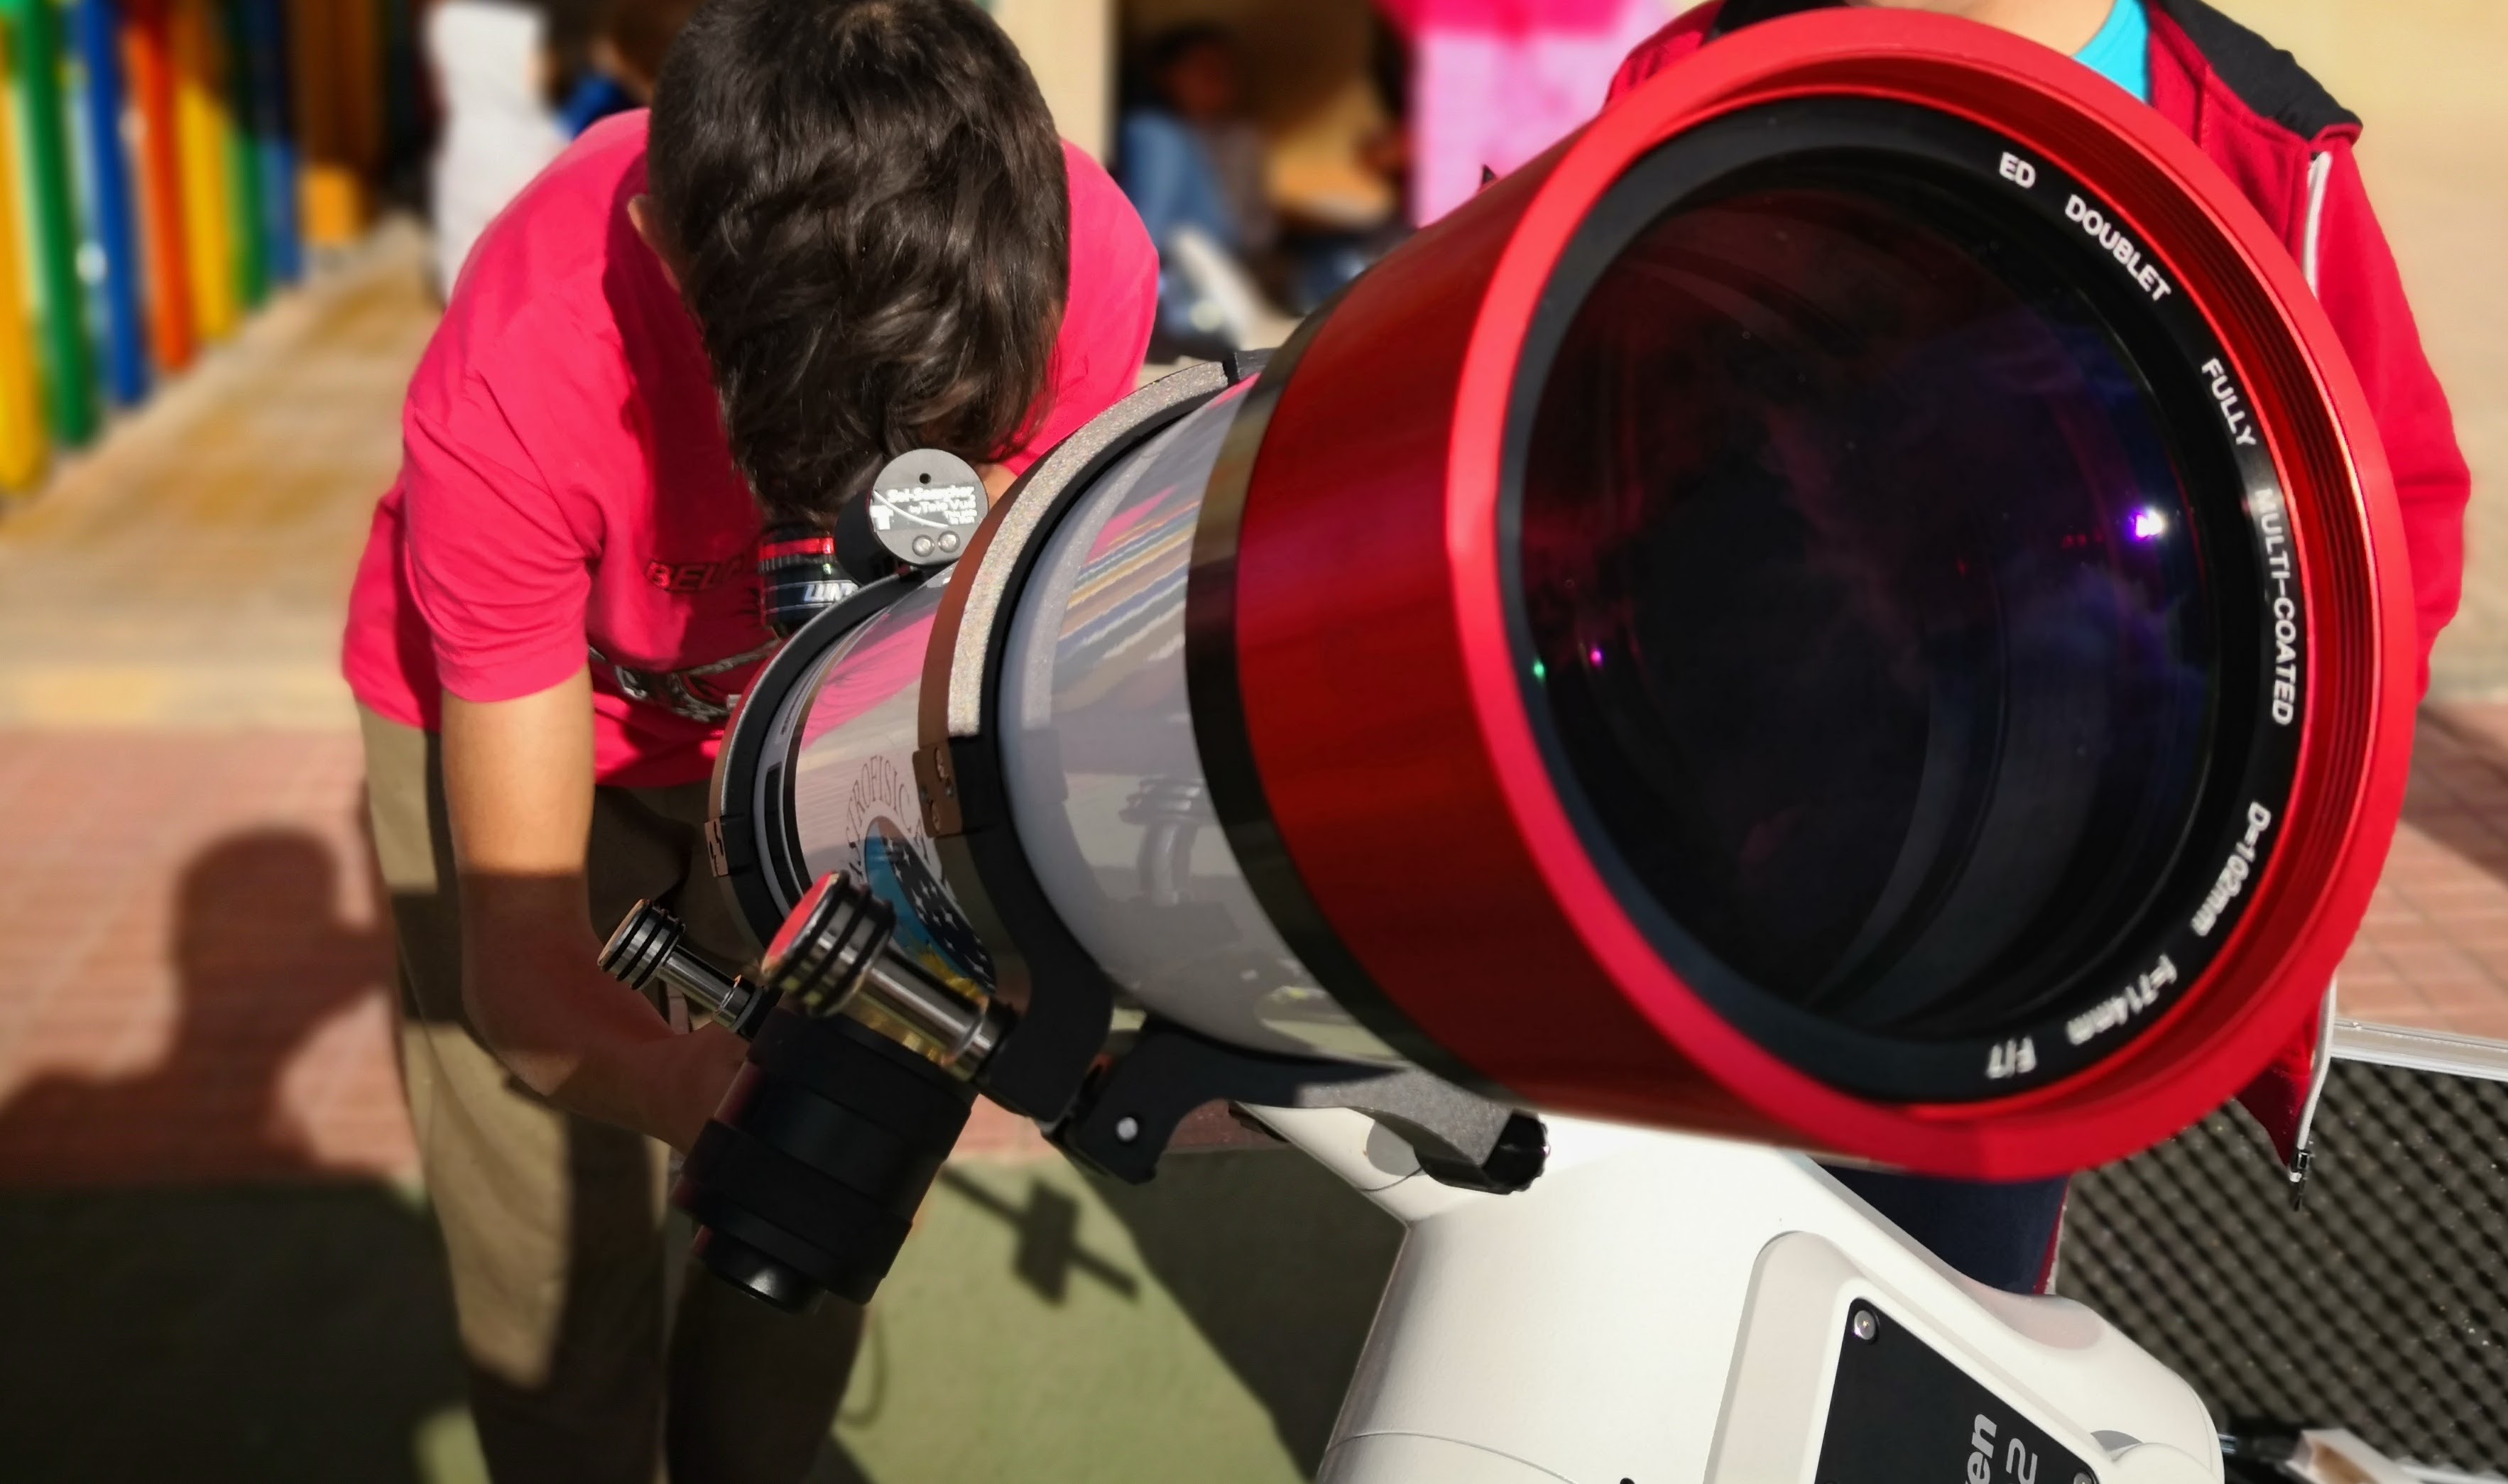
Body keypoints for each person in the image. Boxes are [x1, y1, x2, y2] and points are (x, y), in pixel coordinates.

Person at [341, 1, 1159, 1478]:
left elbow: (1011, 641)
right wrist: (682, 1085)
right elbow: (527, 982)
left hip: (815, 721)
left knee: (815, 1184)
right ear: (672, 254)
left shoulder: (1073, 260)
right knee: (550, 1241)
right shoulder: (523, 377)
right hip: (537, 723)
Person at [1607, 0, 2470, 1294]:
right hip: (1705, 848)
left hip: (2039, 916)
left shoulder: (2269, 149)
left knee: (1938, 1325)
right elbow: (1598, 424)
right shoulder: (1701, 67)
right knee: (1646, 1283)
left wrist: (2241, 783)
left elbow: (2389, 517)